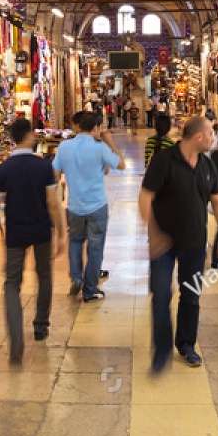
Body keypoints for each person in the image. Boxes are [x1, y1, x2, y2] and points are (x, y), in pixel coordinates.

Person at [140, 115, 218, 371]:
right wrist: (153, 232)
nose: (213, 138)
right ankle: (162, 349)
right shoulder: (164, 161)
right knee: (162, 295)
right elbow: (145, 197)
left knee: (191, 296)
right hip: (163, 243)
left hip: (195, 242)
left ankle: (186, 345)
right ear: (198, 136)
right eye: (210, 133)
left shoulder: (207, 165)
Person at [0, 118, 66, 362]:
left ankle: (16, 340)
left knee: (12, 284)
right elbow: (53, 203)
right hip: (41, 230)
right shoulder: (43, 167)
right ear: (30, 136)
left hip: (15, 231)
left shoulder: (4, 169)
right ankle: (41, 325)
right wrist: (62, 232)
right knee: (44, 275)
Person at [53, 111, 124, 300]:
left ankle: (76, 278)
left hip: (74, 205)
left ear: (78, 127)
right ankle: (90, 289)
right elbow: (122, 164)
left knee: (75, 242)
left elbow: (54, 172)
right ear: (95, 128)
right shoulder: (99, 148)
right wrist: (110, 142)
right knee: (95, 246)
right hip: (97, 205)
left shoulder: (64, 147)